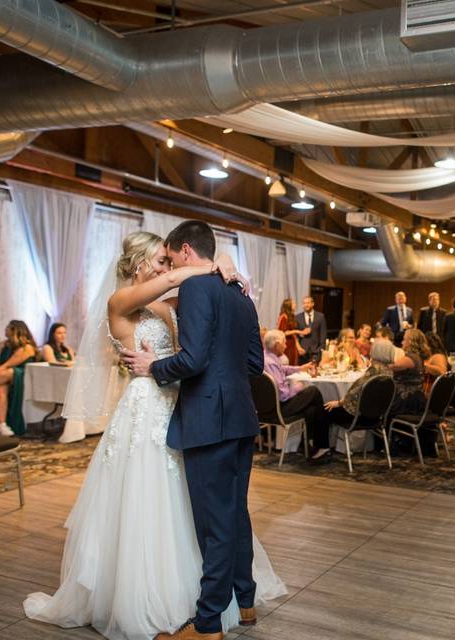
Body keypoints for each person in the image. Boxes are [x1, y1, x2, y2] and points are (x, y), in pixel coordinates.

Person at [26, 228, 285, 640]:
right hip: (149, 407)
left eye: (170, 258)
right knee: (188, 506)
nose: (167, 267)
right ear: (142, 263)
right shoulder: (122, 303)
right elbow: (179, 298)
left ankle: (208, 617)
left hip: (184, 405)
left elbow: (194, 351)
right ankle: (213, 601)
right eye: (160, 260)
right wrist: (212, 268)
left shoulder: (172, 306)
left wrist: (215, 270)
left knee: (209, 512)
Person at [262, 329, 331, 463]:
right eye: (283, 343)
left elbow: (282, 370)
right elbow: (283, 395)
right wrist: (298, 387)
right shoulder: (271, 362)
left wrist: (300, 368)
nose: (286, 345)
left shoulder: (266, 357)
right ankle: (321, 445)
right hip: (279, 409)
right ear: (276, 345)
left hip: (265, 408)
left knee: (312, 408)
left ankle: (314, 444)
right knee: (314, 392)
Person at [324, 340, 396, 447]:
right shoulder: (389, 372)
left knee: (324, 410)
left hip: (360, 417)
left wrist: (339, 402)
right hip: (377, 417)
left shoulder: (373, 371)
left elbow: (356, 393)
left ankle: (322, 448)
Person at [0, 320, 38, 436]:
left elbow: (7, 364)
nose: (5, 329)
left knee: (9, 371)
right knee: (0, 387)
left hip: (20, 376)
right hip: (3, 376)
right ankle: (2, 425)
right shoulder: (3, 345)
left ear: (14, 331)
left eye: (7, 327)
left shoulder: (27, 348)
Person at [296, 295, 326, 363]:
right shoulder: (297, 317)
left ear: (313, 304)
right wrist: (301, 334)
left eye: (308, 303)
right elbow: (296, 336)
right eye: (304, 303)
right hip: (302, 352)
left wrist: (320, 349)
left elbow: (323, 335)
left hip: (316, 351)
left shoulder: (320, 317)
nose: (306, 305)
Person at [277, 298, 304, 366]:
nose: (295, 305)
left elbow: (294, 335)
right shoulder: (283, 316)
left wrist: (298, 346)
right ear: (289, 305)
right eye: (293, 303)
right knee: (288, 363)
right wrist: (298, 331)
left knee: (293, 362)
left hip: (292, 344)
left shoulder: (291, 316)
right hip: (287, 344)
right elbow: (283, 332)